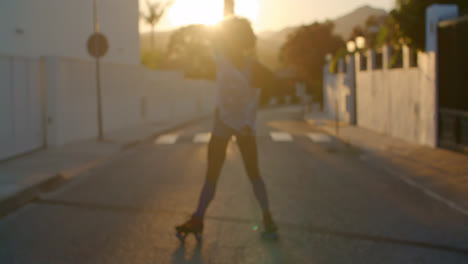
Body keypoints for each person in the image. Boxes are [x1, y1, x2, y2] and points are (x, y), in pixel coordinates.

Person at [175, 17, 278, 242]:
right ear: (247, 41)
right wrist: (254, 107)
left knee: (212, 177)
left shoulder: (220, 61)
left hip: (222, 125)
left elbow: (212, 42)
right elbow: (272, 84)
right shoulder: (255, 68)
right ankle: (268, 219)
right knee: (254, 175)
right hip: (245, 128)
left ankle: (198, 219)